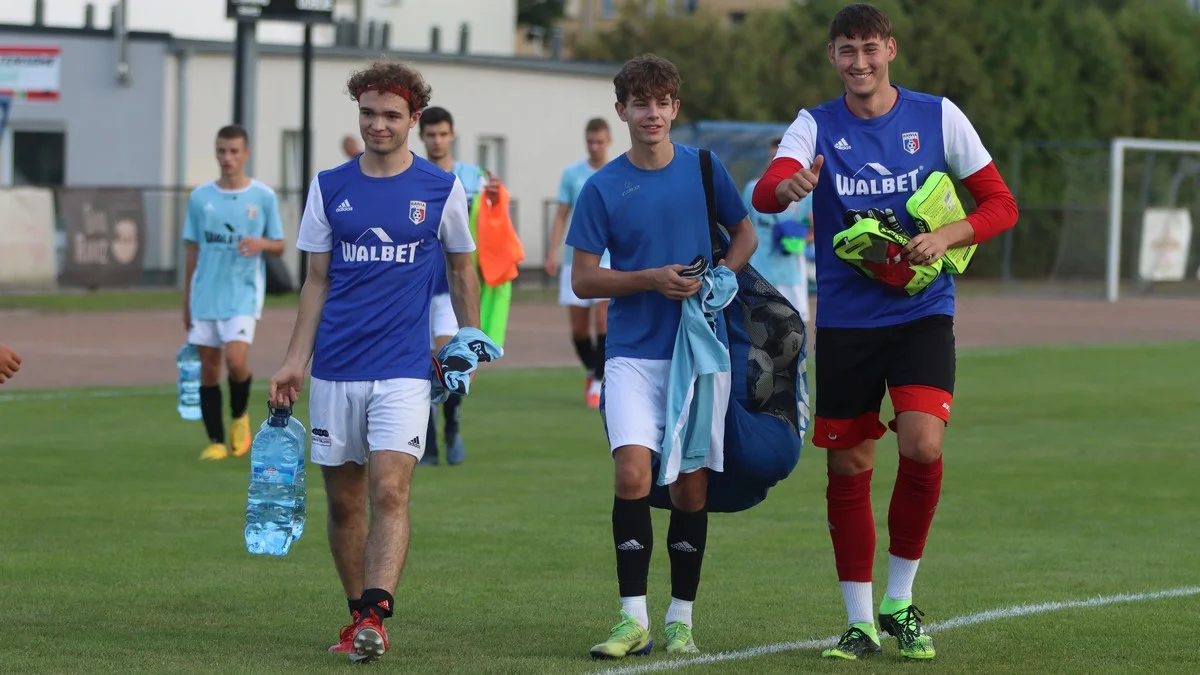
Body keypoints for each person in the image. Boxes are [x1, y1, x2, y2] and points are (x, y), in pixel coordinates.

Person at [751, 2, 1018, 661]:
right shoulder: (815, 124)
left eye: (871, 47)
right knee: (850, 462)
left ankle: (901, 599)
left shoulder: (938, 116)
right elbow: (767, 188)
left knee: (923, 444)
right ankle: (860, 619)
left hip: (921, 313)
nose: (860, 61)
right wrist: (791, 189)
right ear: (833, 57)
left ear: (890, 49)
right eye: (848, 50)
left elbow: (1000, 203)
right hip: (845, 321)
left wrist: (949, 234)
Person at [268, 59, 480, 663]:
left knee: (390, 492)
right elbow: (315, 282)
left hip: (404, 370)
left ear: (415, 119)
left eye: (391, 115)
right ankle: (357, 615)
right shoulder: (329, 186)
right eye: (368, 113)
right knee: (344, 500)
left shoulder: (441, 188)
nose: (378, 125)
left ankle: (373, 615)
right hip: (334, 368)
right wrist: (292, 361)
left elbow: (462, 268)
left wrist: (468, 335)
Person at [567, 53, 758, 660]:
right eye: (639, 103)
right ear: (621, 110)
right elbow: (584, 280)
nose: (652, 113)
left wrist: (723, 275)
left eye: (662, 102)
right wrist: (649, 278)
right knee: (632, 473)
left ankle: (681, 618)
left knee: (690, 489)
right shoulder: (602, 187)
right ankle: (632, 620)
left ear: (676, 107)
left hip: (700, 354)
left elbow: (745, 231)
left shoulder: (705, 168)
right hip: (630, 354)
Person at [182, 124, 286, 461]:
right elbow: (192, 251)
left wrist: (262, 244)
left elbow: (281, 245)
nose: (227, 158)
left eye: (234, 151)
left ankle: (240, 417)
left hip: (242, 295)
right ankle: (215, 441)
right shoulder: (200, 198)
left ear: (246, 154)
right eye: (221, 151)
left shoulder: (263, 197)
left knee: (235, 360)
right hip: (205, 296)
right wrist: (186, 300)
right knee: (209, 368)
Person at [415, 105, 498, 466]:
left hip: (452, 282)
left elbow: (493, 220)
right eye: (430, 134)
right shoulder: (411, 176)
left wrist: (495, 197)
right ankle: (430, 438)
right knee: (422, 360)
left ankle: (450, 428)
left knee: (450, 356)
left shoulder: (473, 177)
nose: (436, 140)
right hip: (417, 283)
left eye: (442, 134)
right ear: (422, 137)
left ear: (452, 136)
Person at [546, 117, 613, 409]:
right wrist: (552, 252)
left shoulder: (617, 172)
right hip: (576, 259)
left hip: (608, 260)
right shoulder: (572, 174)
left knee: (602, 321)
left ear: (608, 140)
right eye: (591, 141)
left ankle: (598, 383)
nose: (595, 146)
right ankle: (591, 370)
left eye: (600, 141)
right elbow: (561, 214)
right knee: (578, 330)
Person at [743, 136, 813, 324]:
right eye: (772, 158)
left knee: (794, 330)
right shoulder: (752, 188)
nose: (774, 163)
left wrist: (797, 239)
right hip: (760, 272)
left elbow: (816, 229)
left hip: (792, 274)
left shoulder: (806, 194)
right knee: (759, 329)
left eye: (779, 158)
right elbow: (743, 228)